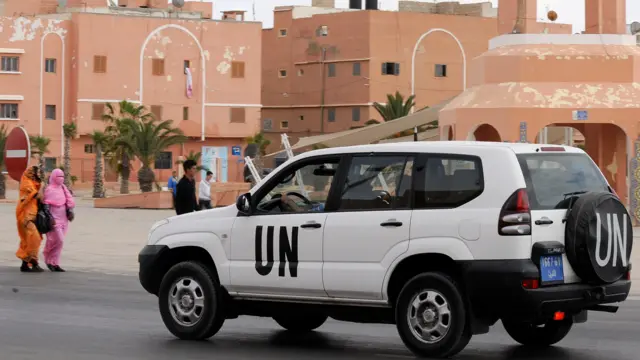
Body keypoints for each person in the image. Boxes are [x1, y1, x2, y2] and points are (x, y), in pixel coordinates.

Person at [42, 168, 75, 272]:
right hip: (54, 220)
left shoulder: (64, 189)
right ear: (53, 177)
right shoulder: (49, 190)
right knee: (57, 240)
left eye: (62, 177)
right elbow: (46, 206)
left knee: (60, 243)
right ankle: (48, 259)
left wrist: (70, 211)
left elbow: (68, 203)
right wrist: (50, 218)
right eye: (58, 176)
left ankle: (55, 263)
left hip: (64, 219)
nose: (61, 179)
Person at [15, 166, 45, 272]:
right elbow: (38, 196)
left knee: (30, 239)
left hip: (33, 214)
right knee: (33, 238)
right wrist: (42, 187)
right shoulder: (27, 183)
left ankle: (25, 264)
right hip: (25, 216)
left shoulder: (34, 183)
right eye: (36, 172)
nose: (37, 174)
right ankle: (33, 262)